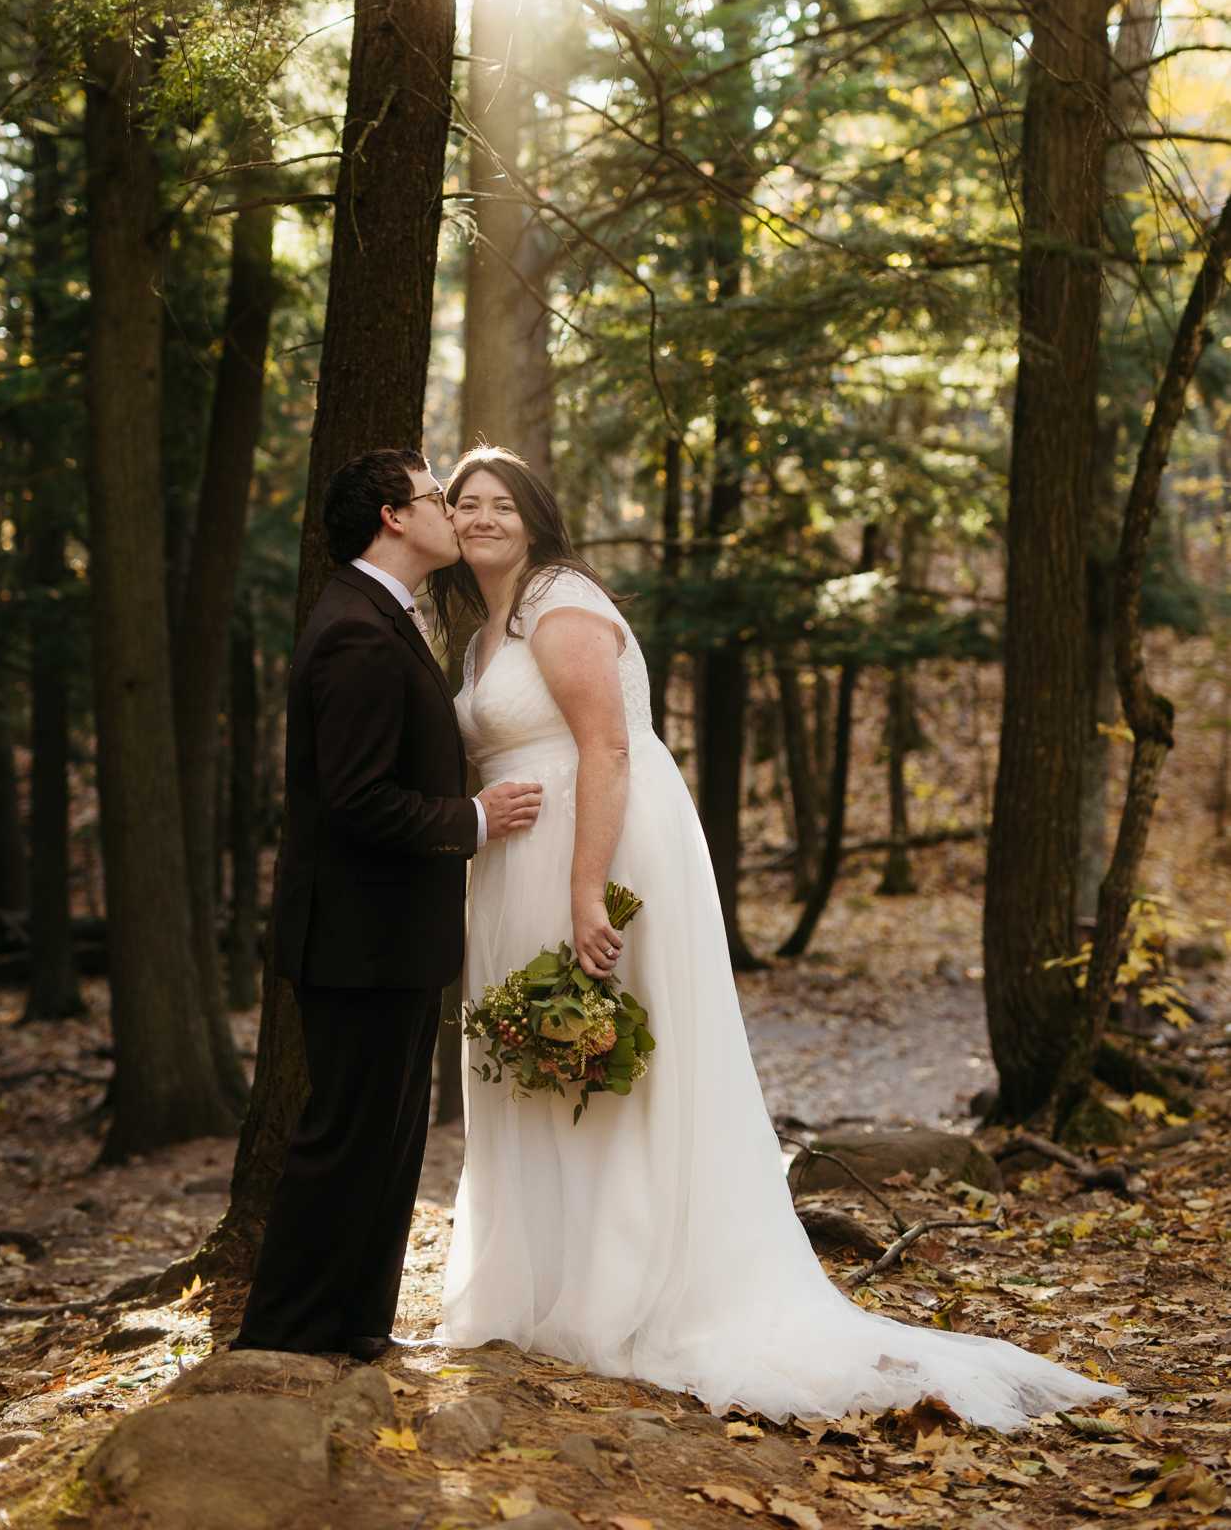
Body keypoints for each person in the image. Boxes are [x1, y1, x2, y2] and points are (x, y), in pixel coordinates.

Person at [433, 447, 1116, 1429]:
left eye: (503, 501)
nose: (483, 514)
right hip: (513, 862)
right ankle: (546, 1284)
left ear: (538, 518)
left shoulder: (557, 599)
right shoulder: (478, 631)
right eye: (467, 502)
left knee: (611, 1070)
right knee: (543, 1065)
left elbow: (609, 745)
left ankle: (623, 1290)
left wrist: (588, 890)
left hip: (600, 842)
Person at [234, 449, 542, 1359]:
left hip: (395, 936)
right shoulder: (356, 631)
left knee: (390, 1142)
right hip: (356, 938)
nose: (453, 511)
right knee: (344, 1138)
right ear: (390, 517)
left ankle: (358, 1328)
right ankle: (284, 1338)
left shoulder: (389, 614)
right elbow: (356, 798)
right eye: (436, 497)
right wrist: (475, 820)